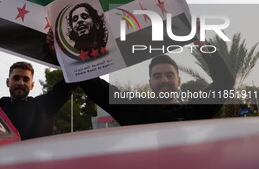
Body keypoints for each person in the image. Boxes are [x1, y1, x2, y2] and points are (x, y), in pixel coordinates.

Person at [78, 40, 235, 126]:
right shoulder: (132, 109)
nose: (164, 80)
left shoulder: (194, 111)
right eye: (158, 76)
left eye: (169, 75)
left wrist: (202, 43)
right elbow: (91, 84)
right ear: (150, 82)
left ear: (179, 80)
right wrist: (71, 53)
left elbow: (225, 81)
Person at [0, 61, 75, 140]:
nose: (20, 83)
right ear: (7, 82)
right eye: (16, 78)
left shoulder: (44, 105)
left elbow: (74, 77)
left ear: (32, 85)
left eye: (26, 79)